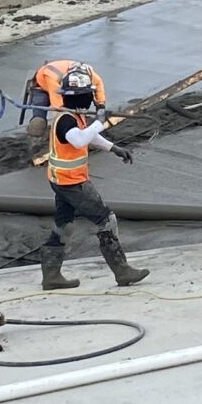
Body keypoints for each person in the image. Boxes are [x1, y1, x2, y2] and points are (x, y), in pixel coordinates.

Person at [38, 69, 148, 291]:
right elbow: (79, 140)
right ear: (80, 96)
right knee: (106, 220)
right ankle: (122, 270)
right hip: (72, 183)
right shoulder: (65, 120)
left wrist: (113, 147)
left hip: (62, 181)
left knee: (64, 225)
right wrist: (101, 121)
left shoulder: (71, 115)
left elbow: (88, 135)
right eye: (89, 94)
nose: (92, 99)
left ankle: (51, 275)